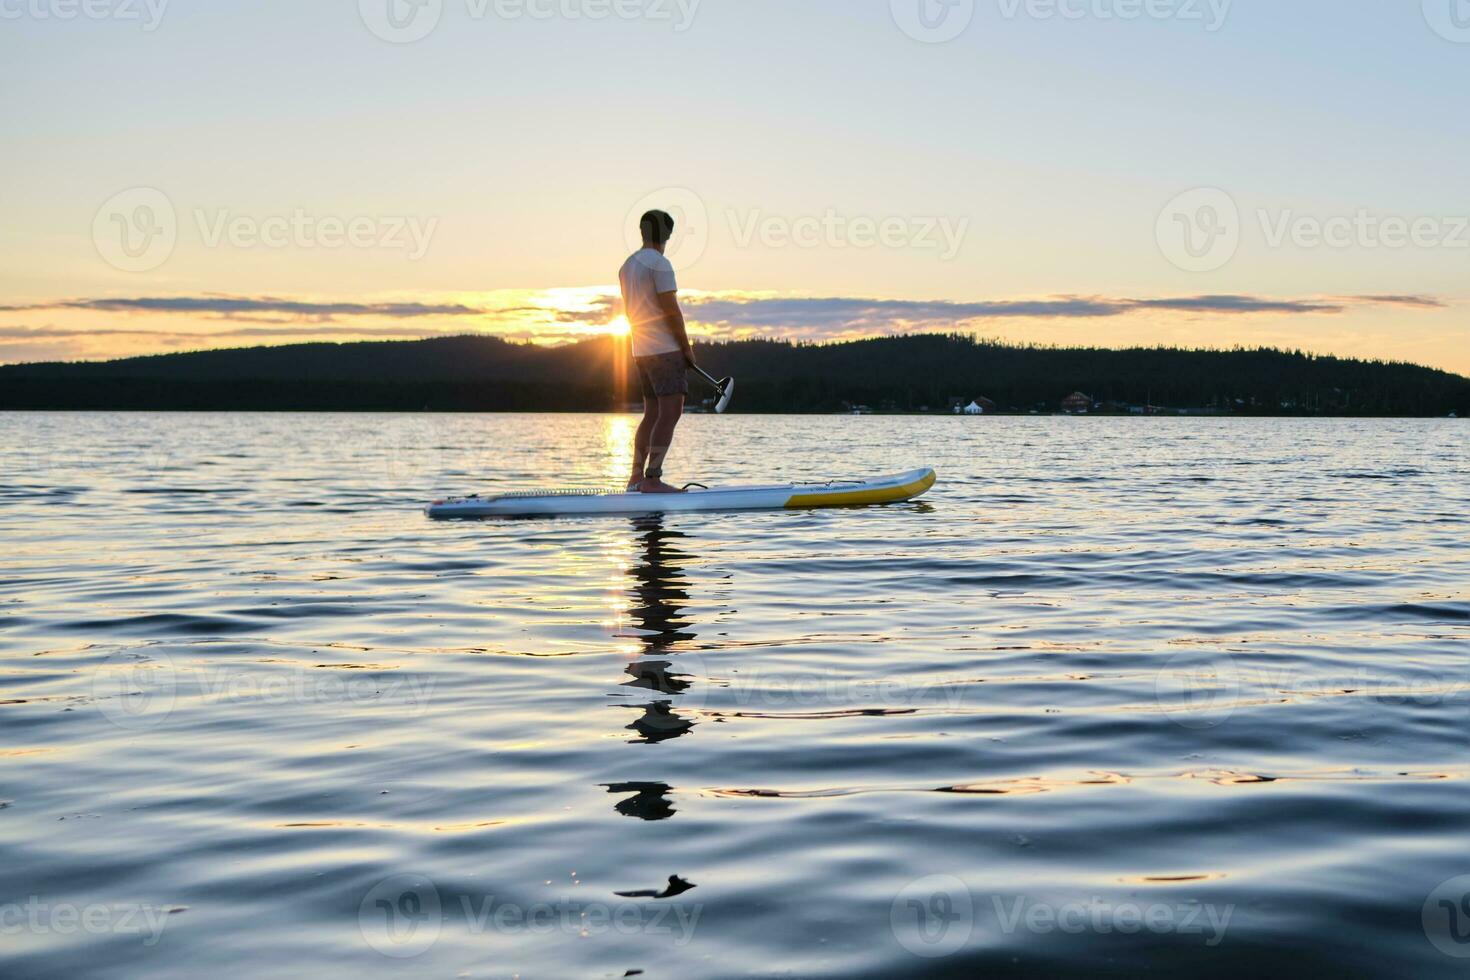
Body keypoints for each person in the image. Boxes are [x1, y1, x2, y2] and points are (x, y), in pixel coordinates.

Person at [619, 209, 698, 493]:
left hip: (639, 350)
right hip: (664, 350)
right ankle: (652, 479)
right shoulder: (660, 264)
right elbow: (671, 311)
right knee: (670, 413)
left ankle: (636, 478)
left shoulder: (627, 266)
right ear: (667, 235)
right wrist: (686, 348)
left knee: (651, 414)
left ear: (642, 232)